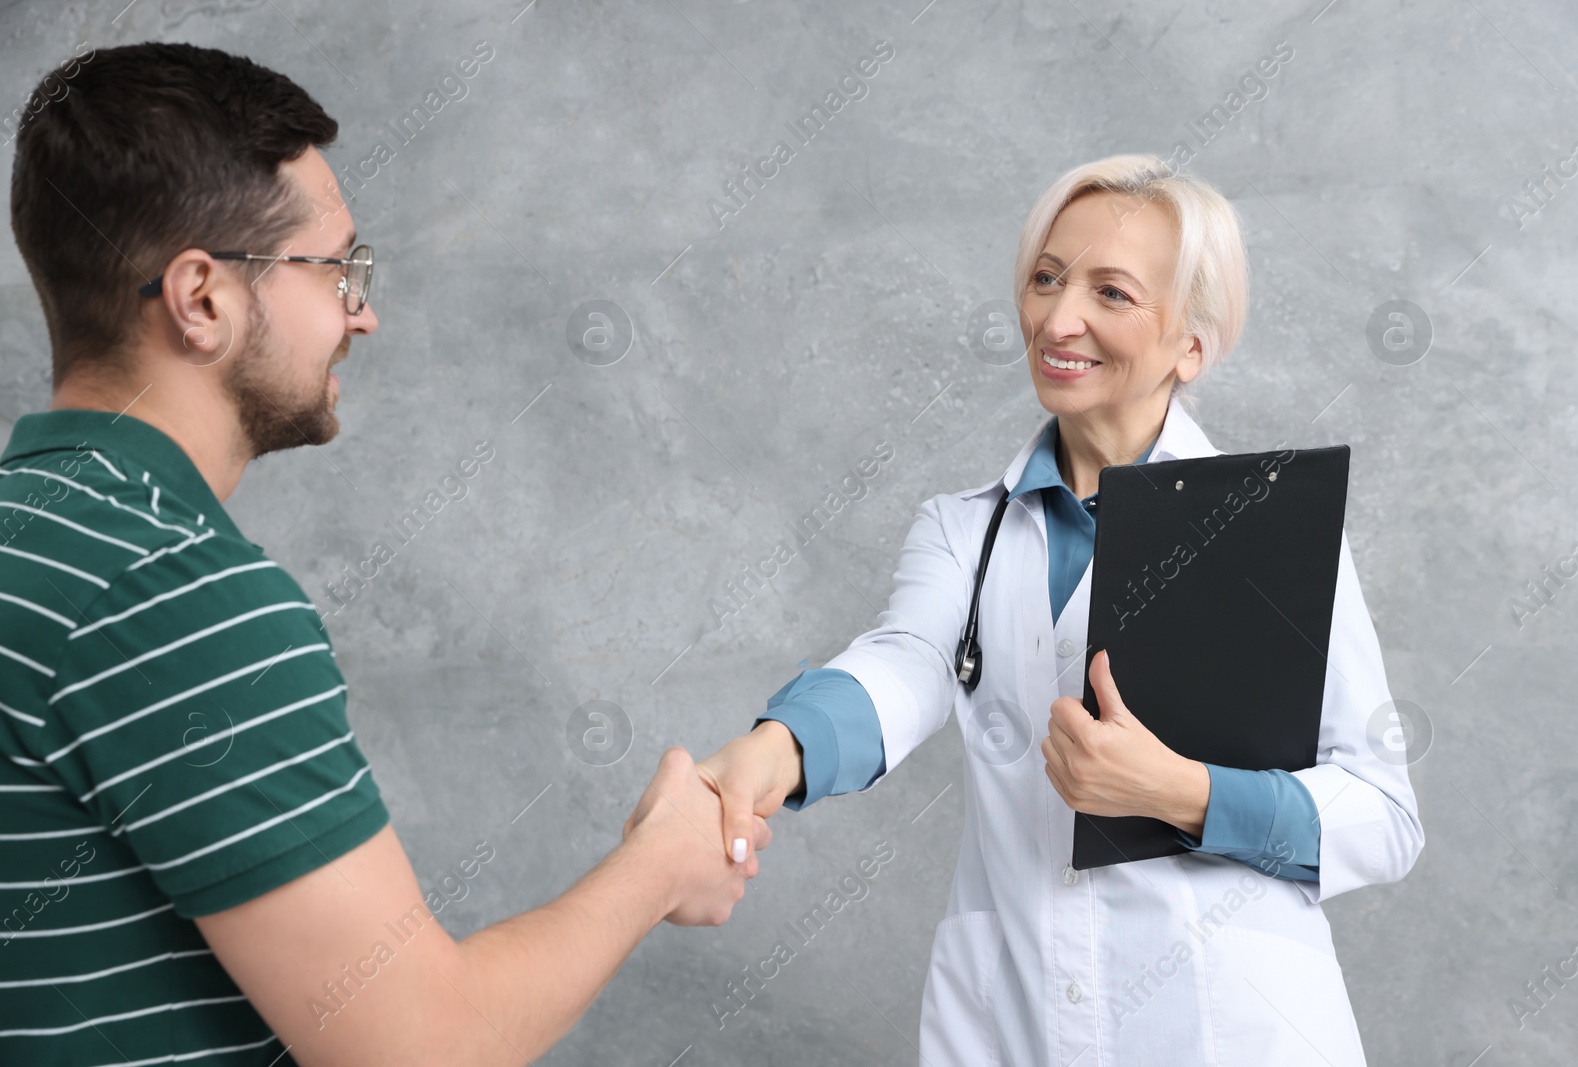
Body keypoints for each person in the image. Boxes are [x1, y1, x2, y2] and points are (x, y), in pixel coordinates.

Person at [0, 41, 768, 1067]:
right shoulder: (175, 595)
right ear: (202, 299)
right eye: (339, 268)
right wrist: (661, 864)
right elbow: (419, 1045)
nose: (364, 311)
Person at [699, 155, 1425, 1065]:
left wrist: (1179, 793)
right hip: (1017, 1027)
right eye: (1047, 277)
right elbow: (907, 659)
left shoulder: (1273, 527)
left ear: (1190, 345)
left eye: (1111, 293)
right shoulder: (965, 532)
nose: (1057, 317)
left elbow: (1384, 812)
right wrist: (777, 749)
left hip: (1229, 1028)